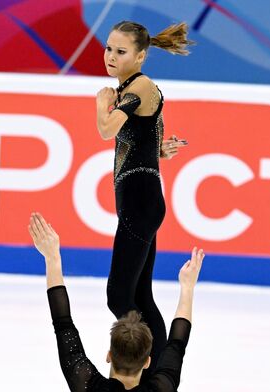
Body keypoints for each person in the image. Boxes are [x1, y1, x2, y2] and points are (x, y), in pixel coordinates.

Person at [95, 20, 195, 373]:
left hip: (140, 202)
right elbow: (147, 138)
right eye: (108, 48)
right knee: (139, 297)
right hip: (141, 201)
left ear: (140, 56)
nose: (110, 56)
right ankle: (160, 369)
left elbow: (107, 130)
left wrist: (101, 102)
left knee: (118, 295)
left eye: (120, 52)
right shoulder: (133, 87)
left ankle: (151, 366)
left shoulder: (139, 86)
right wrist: (159, 151)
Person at [28, 212, 204, 391]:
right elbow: (176, 343)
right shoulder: (161, 387)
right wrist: (187, 287)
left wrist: (52, 258)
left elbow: (63, 323)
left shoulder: (87, 384)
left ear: (109, 356)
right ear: (148, 362)